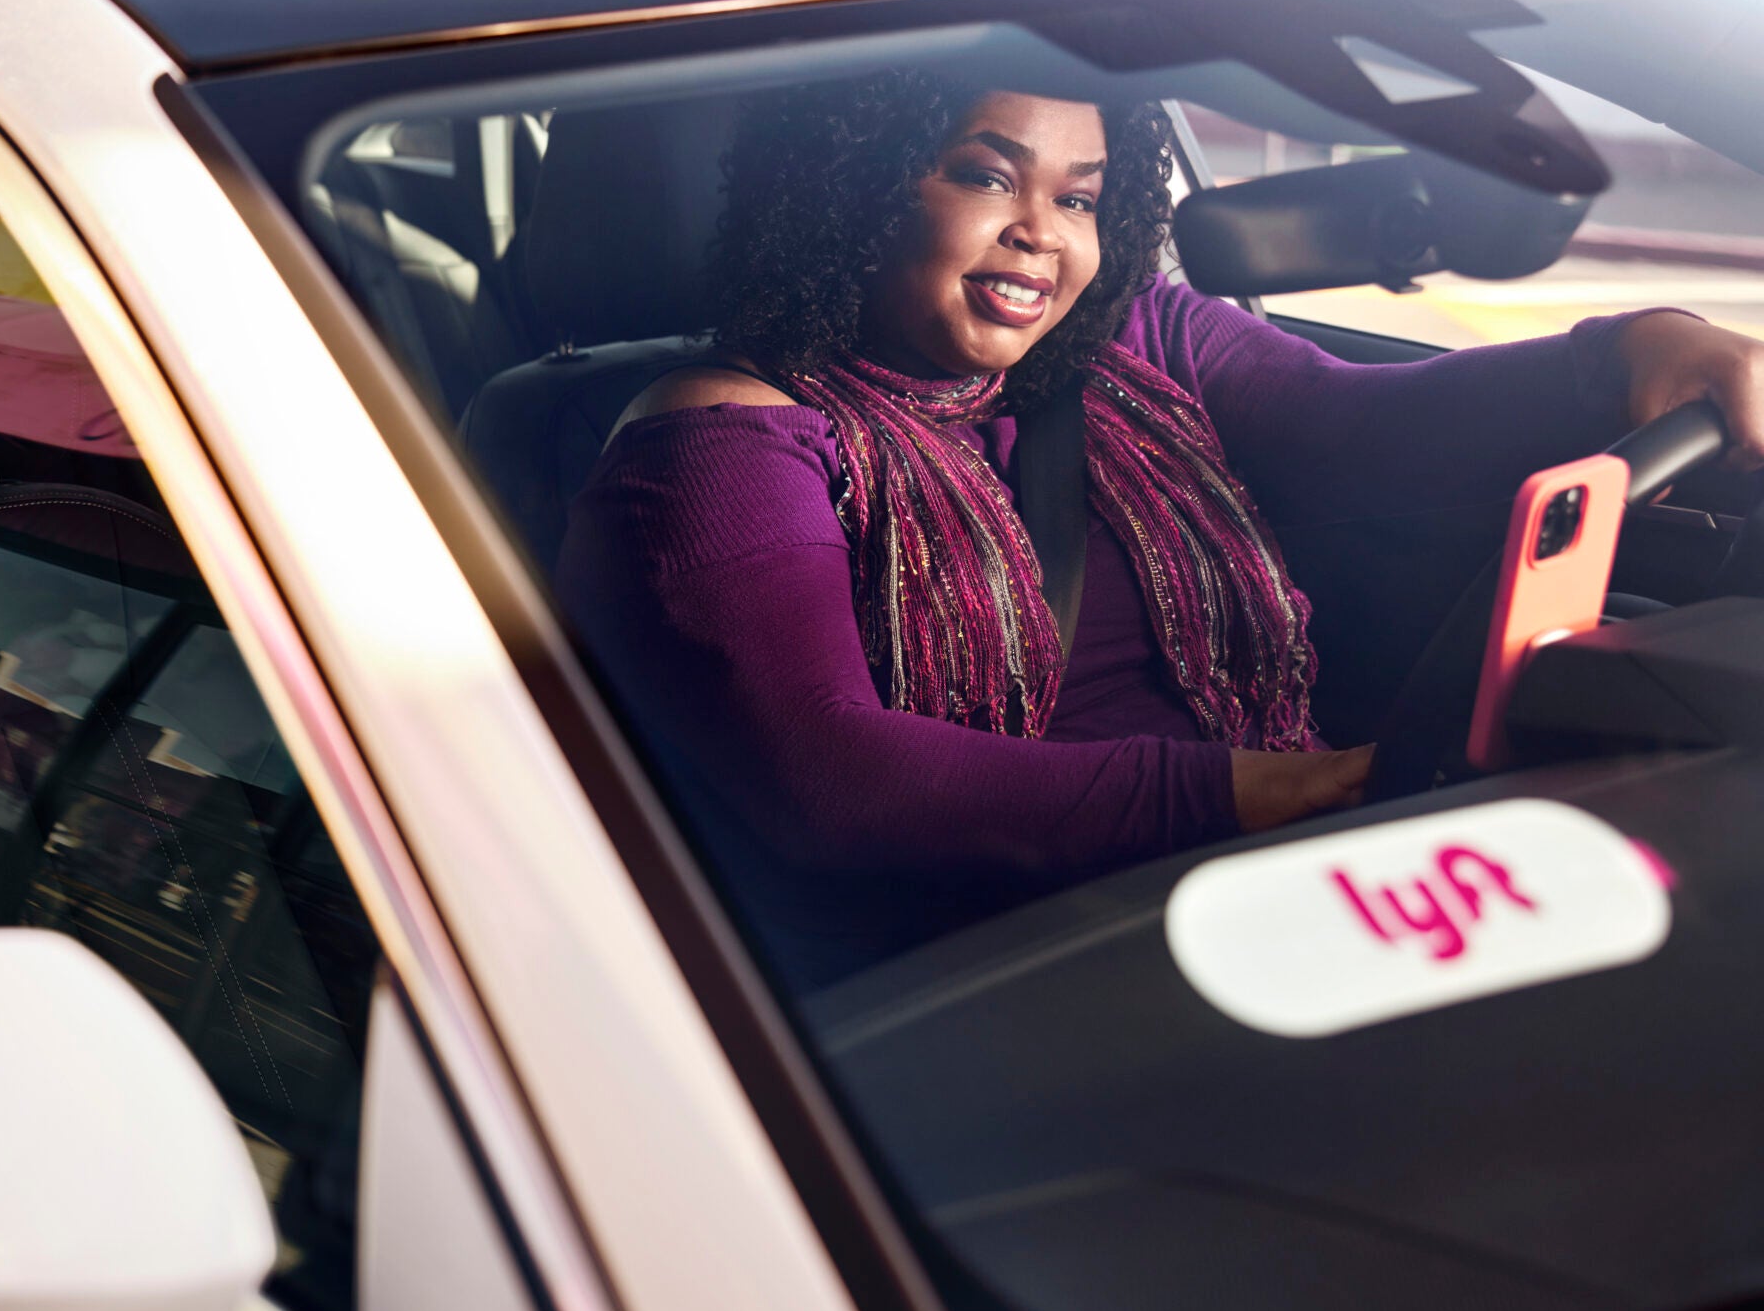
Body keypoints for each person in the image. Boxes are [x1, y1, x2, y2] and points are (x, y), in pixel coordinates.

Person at [556, 73, 1764, 988]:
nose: (1041, 230)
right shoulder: (717, 443)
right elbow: (833, 777)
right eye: (985, 177)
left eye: (1078, 196)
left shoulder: (1135, 343)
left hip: (1281, 890)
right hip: (1008, 977)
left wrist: (1627, 354)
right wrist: (1261, 793)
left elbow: (1360, 428)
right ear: (847, 190)